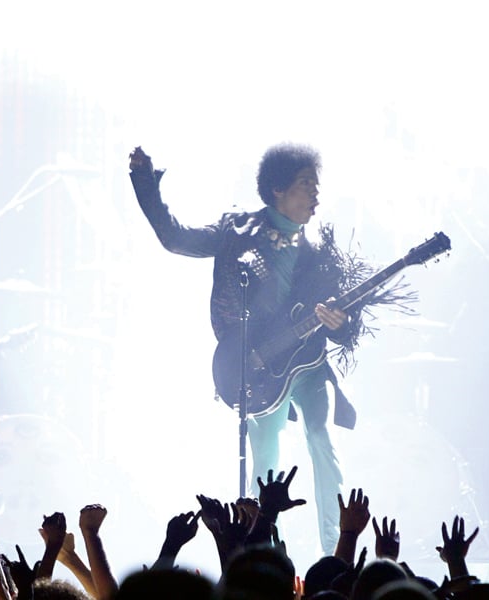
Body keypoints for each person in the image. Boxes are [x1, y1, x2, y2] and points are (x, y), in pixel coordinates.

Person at [129, 143, 404, 555]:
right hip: (257, 365)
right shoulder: (236, 232)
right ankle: (264, 551)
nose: (315, 194)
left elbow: (343, 326)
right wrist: (146, 185)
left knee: (320, 436)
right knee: (266, 452)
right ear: (277, 189)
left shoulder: (318, 255)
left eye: (316, 185)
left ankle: (336, 552)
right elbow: (174, 238)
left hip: (309, 362)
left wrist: (341, 323)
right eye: (305, 184)